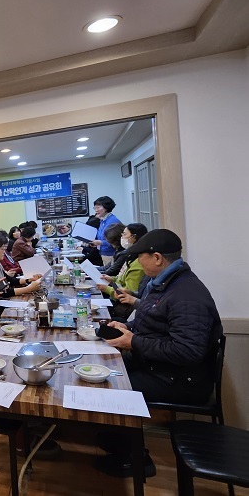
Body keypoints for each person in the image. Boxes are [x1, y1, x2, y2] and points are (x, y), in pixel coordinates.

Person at [99, 229, 224, 477]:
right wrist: (127, 328)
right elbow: (152, 323)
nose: (138, 262)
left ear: (157, 258)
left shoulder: (187, 294)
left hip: (180, 379)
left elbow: (188, 351)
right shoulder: (165, 284)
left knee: (111, 385)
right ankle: (118, 440)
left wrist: (134, 342)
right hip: (159, 367)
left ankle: (135, 459)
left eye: (141, 257)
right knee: (105, 367)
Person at [96, 223, 148, 319]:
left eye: (124, 234)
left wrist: (106, 289)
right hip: (116, 300)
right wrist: (112, 279)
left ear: (134, 237)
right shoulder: (130, 256)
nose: (122, 237)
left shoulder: (138, 262)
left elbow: (129, 292)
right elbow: (121, 277)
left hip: (124, 308)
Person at [0, 233, 41, 298]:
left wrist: (29, 279)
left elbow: (8, 280)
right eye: (2, 249)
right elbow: (3, 292)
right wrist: (29, 288)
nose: (4, 252)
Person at [89, 196, 122, 265]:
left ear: (106, 208)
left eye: (98, 207)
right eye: (95, 208)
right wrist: (96, 243)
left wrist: (100, 242)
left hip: (111, 254)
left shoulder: (113, 221)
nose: (96, 210)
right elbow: (101, 237)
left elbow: (115, 241)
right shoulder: (103, 220)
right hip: (104, 253)